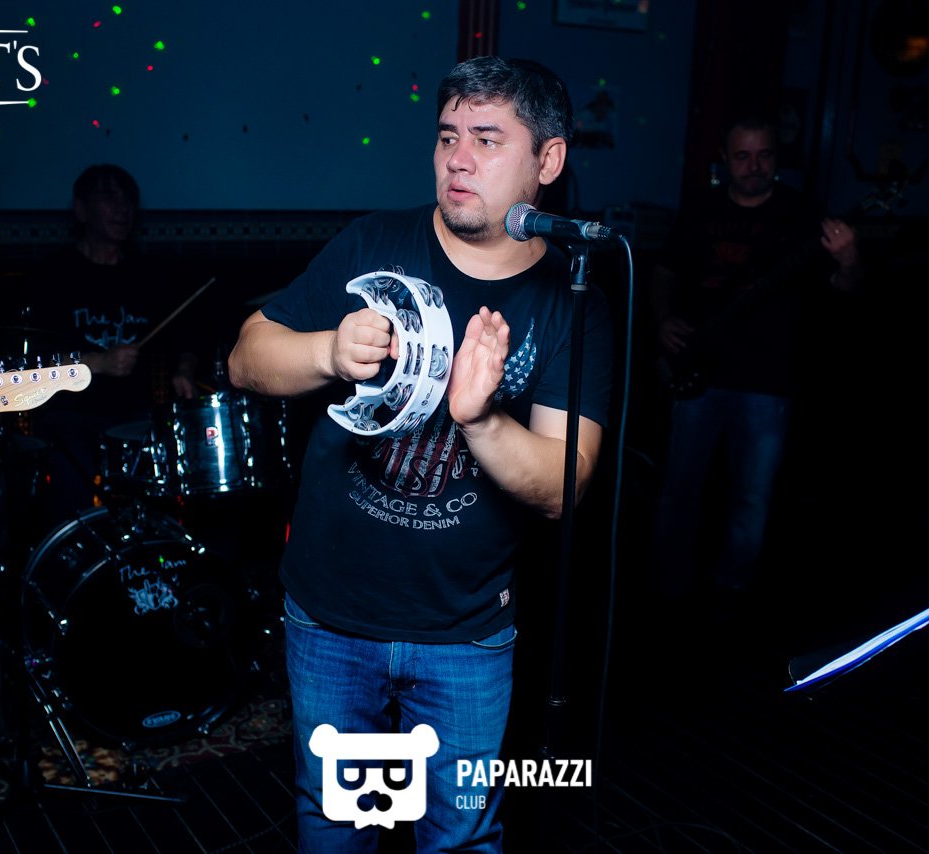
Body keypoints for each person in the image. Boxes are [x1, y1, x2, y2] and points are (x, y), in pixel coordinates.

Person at [227, 56, 615, 853]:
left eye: (486, 139)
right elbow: (245, 359)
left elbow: (563, 484)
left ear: (548, 160)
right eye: (446, 137)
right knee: (336, 827)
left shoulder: (574, 302)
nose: (457, 159)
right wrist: (329, 351)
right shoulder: (373, 243)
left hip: (465, 631)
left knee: (461, 837)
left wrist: (480, 421)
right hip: (331, 616)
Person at [648, 113, 862, 615]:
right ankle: (665, 591)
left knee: (752, 495)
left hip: (769, 379)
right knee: (681, 488)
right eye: (743, 155)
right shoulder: (702, 209)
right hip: (698, 371)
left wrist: (850, 259)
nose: (754, 165)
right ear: (725, 159)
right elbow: (664, 271)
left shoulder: (803, 215)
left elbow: (847, 290)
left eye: (764, 155)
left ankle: (733, 595)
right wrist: (662, 321)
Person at [21, 164, 199, 533]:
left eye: (129, 199)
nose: (122, 208)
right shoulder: (52, 276)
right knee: (73, 507)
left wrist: (184, 370)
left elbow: (187, 338)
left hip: (132, 418)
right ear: (81, 209)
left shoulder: (148, 275)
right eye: (109, 197)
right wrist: (97, 363)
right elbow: (33, 362)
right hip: (69, 421)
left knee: (152, 510)